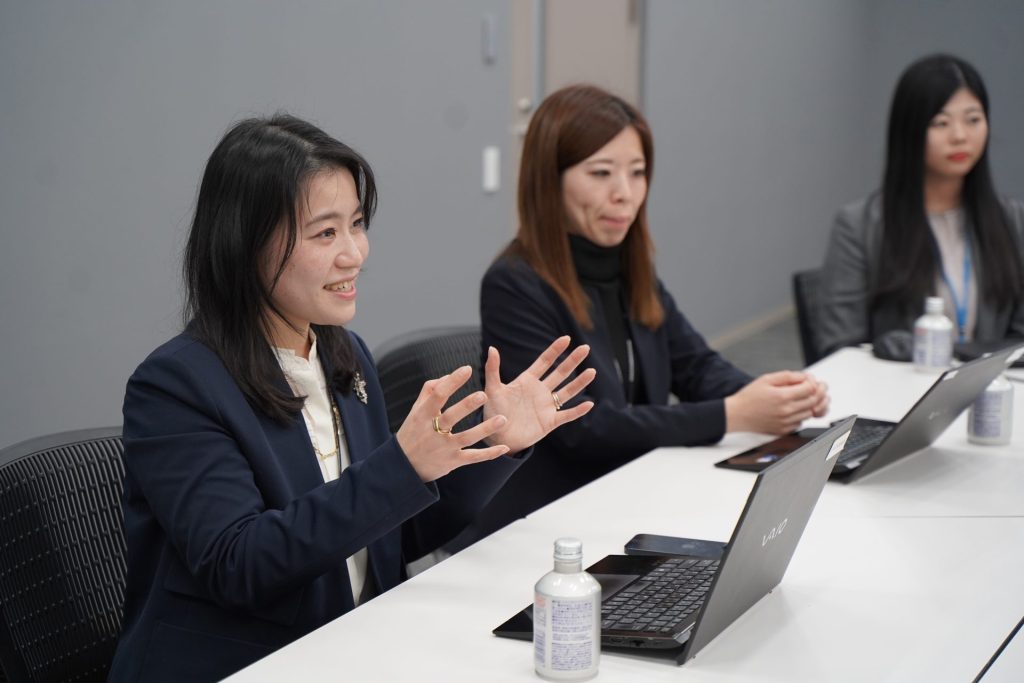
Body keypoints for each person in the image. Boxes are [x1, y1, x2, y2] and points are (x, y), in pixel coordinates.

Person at [108, 115, 596, 682]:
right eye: (325, 233)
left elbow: (390, 535)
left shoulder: (343, 355)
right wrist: (402, 465)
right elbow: (239, 565)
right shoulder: (176, 385)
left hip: (356, 646)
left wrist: (497, 446)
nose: (354, 254)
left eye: (357, 225)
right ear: (245, 243)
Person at [468, 84, 829, 541]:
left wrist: (774, 396)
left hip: (635, 492)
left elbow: (694, 365)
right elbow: (584, 429)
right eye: (601, 173)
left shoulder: (627, 265)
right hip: (553, 522)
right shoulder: (514, 284)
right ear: (549, 179)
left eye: (637, 173)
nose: (625, 193)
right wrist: (733, 414)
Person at [819, 54, 1024, 357]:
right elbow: (839, 347)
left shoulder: (1013, 219)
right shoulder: (859, 226)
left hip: (991, 384)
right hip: (896, 384)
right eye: (941, 123)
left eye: (973, 120)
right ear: (909, 130)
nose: (960, 136)